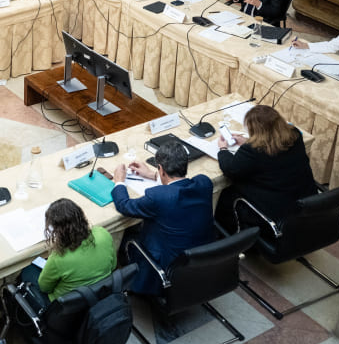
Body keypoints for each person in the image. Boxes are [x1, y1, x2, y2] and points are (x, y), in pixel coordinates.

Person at [112, 142, 214, 296]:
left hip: (167, 267)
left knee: (127, 237)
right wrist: (152, 175)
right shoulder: (204, 183)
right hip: (199, 259)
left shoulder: (158, 197)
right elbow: (179, 184)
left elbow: (124, 206)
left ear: (160, 168)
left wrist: (119, 181)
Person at [214, 104, 321, 234]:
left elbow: (231, 170)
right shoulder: (295, 134)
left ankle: (228, 235)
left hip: (277, 213)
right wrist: (248, 140)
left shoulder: (253, 150)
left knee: (227, 193)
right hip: (307, 203)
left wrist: (223, 149)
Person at [19, 198, 116, 309]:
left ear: (57, 230)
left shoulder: (59, 257)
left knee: (28, 271)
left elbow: (45, 288)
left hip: (65, 309)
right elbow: (113, 265)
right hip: (99, 296)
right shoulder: (102, 233)